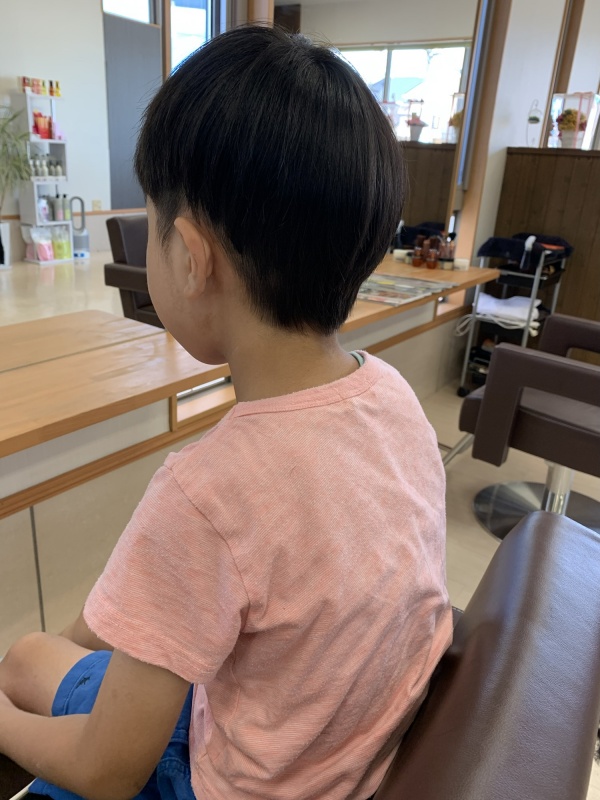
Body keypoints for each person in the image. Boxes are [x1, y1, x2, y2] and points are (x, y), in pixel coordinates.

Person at [0, 24, 451, 800]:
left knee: (19, 668)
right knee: (36, 656)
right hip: (325, 746)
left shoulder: (206, 493)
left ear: (189, 255)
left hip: (229, 779)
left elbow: (109, 771)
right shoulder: (392, 397)